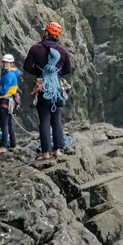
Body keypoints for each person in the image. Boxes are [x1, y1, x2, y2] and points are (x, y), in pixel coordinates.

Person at [23, 22, 72, 159]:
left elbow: (27, 66)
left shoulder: (35, 48)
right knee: (56, 118)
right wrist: (56, 74)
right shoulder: (63, 51)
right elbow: (68, 70)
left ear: (47, 32)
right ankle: (57, 150)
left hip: (42, 86)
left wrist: (41, 73)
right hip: (57, 86)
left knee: (44, 118)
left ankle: (45, 152)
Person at [0, 53, 20, 152]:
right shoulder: (10, 73)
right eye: (4, 62)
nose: (5, 64)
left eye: (7, 63)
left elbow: (4, 90)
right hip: (9, 101)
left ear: (11, 64)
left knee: (4, 124)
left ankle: (4, 146)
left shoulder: (9, 75)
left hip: (5, 100)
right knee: (9, 123)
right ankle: (13, 144)